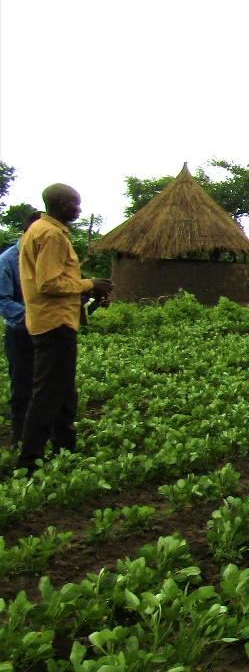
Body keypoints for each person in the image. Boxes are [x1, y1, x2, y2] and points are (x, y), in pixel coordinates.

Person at [17, 184, 112, 474]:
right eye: (75, 204)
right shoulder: (51, 235)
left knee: (64, 392)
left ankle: (65, 450)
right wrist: (89, 284)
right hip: (54, 323)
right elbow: (49, 283)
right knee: (48, 393)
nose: (79, 209)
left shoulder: (40, 230)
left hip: (51, 321)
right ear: (60, 204)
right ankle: (29, 461)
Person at [0, 212, 42, 445]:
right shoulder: (7, 261)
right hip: (20, 333)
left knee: (45, 385)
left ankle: (41, 435)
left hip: (45, 331)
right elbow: (3, 301)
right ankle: (19, 437)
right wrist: (34, 316)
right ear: (27, 232)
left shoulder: (45, 257)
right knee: (22, 385)